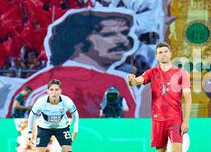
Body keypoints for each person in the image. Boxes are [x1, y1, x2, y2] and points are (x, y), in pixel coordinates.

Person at [7, 9, 137, 118]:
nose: (124, 42)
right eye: (110, 34)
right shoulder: (115, 84)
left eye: (124, 34)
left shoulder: (31, 86)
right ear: (78, 40)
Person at [127, 42, 197, 152]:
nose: (163, 54)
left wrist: (186, 121)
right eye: (160, 52)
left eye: (166, 51)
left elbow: (187, 97)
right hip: (158, 120)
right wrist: (131, 80)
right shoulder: (152, 72)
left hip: (175, 120)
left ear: (170, 54)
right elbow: (137, 81)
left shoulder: (180, 73)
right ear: (157, 56)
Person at [27, 79, 79, 152]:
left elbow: (75, 114)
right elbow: (32, 115)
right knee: (39, 151)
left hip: (62, 128)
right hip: (44, 128)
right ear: (47, 91)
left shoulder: (67, 101)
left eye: (56, 90)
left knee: (68, 151)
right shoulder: (41, 102)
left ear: (60, 91)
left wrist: (75, 130)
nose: (54, 92)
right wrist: (30, 132)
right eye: (51, 90)